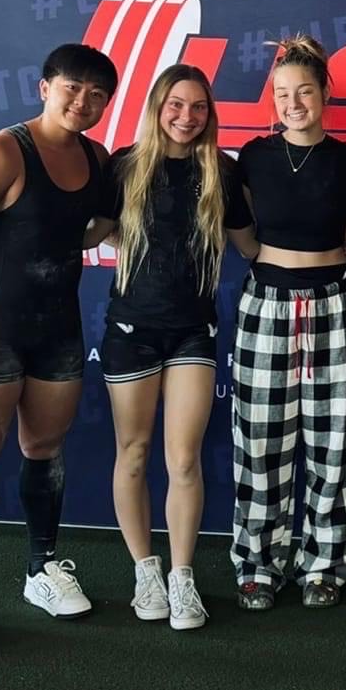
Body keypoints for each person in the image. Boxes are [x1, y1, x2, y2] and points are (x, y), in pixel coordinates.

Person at [0, 44, 118, 652]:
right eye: (72, 88)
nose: (82, 101)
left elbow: (88, 227)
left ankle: (41, 570)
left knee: (44, 448)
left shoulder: (97, 156)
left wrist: (106, 225)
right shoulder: (2, 151)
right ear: (45, 87)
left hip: (57, 326)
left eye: (96, 94)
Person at [83, 64, 257, 630]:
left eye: (199, 107)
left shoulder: (222, 173)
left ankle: (182, 577)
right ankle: (145, 571)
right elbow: (91, 231)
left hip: (193, 331)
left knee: (183, 458)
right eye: (176, 105)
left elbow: (252, 246)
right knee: (132, 452)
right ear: (158, 107)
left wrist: (320, 250)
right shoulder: (125, 165)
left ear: (210, 114)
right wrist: (13, 226)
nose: (187, 117)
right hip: (131, 329)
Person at [230, 35, 346, 610]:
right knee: (260, 441)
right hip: (266, 303)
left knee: (336, 441)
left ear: (324, 94)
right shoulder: (254, 157)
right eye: (282, 93)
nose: (293, 103)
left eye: (304, 91)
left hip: (337, 302)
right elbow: (242, 235)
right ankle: (259, 563)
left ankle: (324, 563)